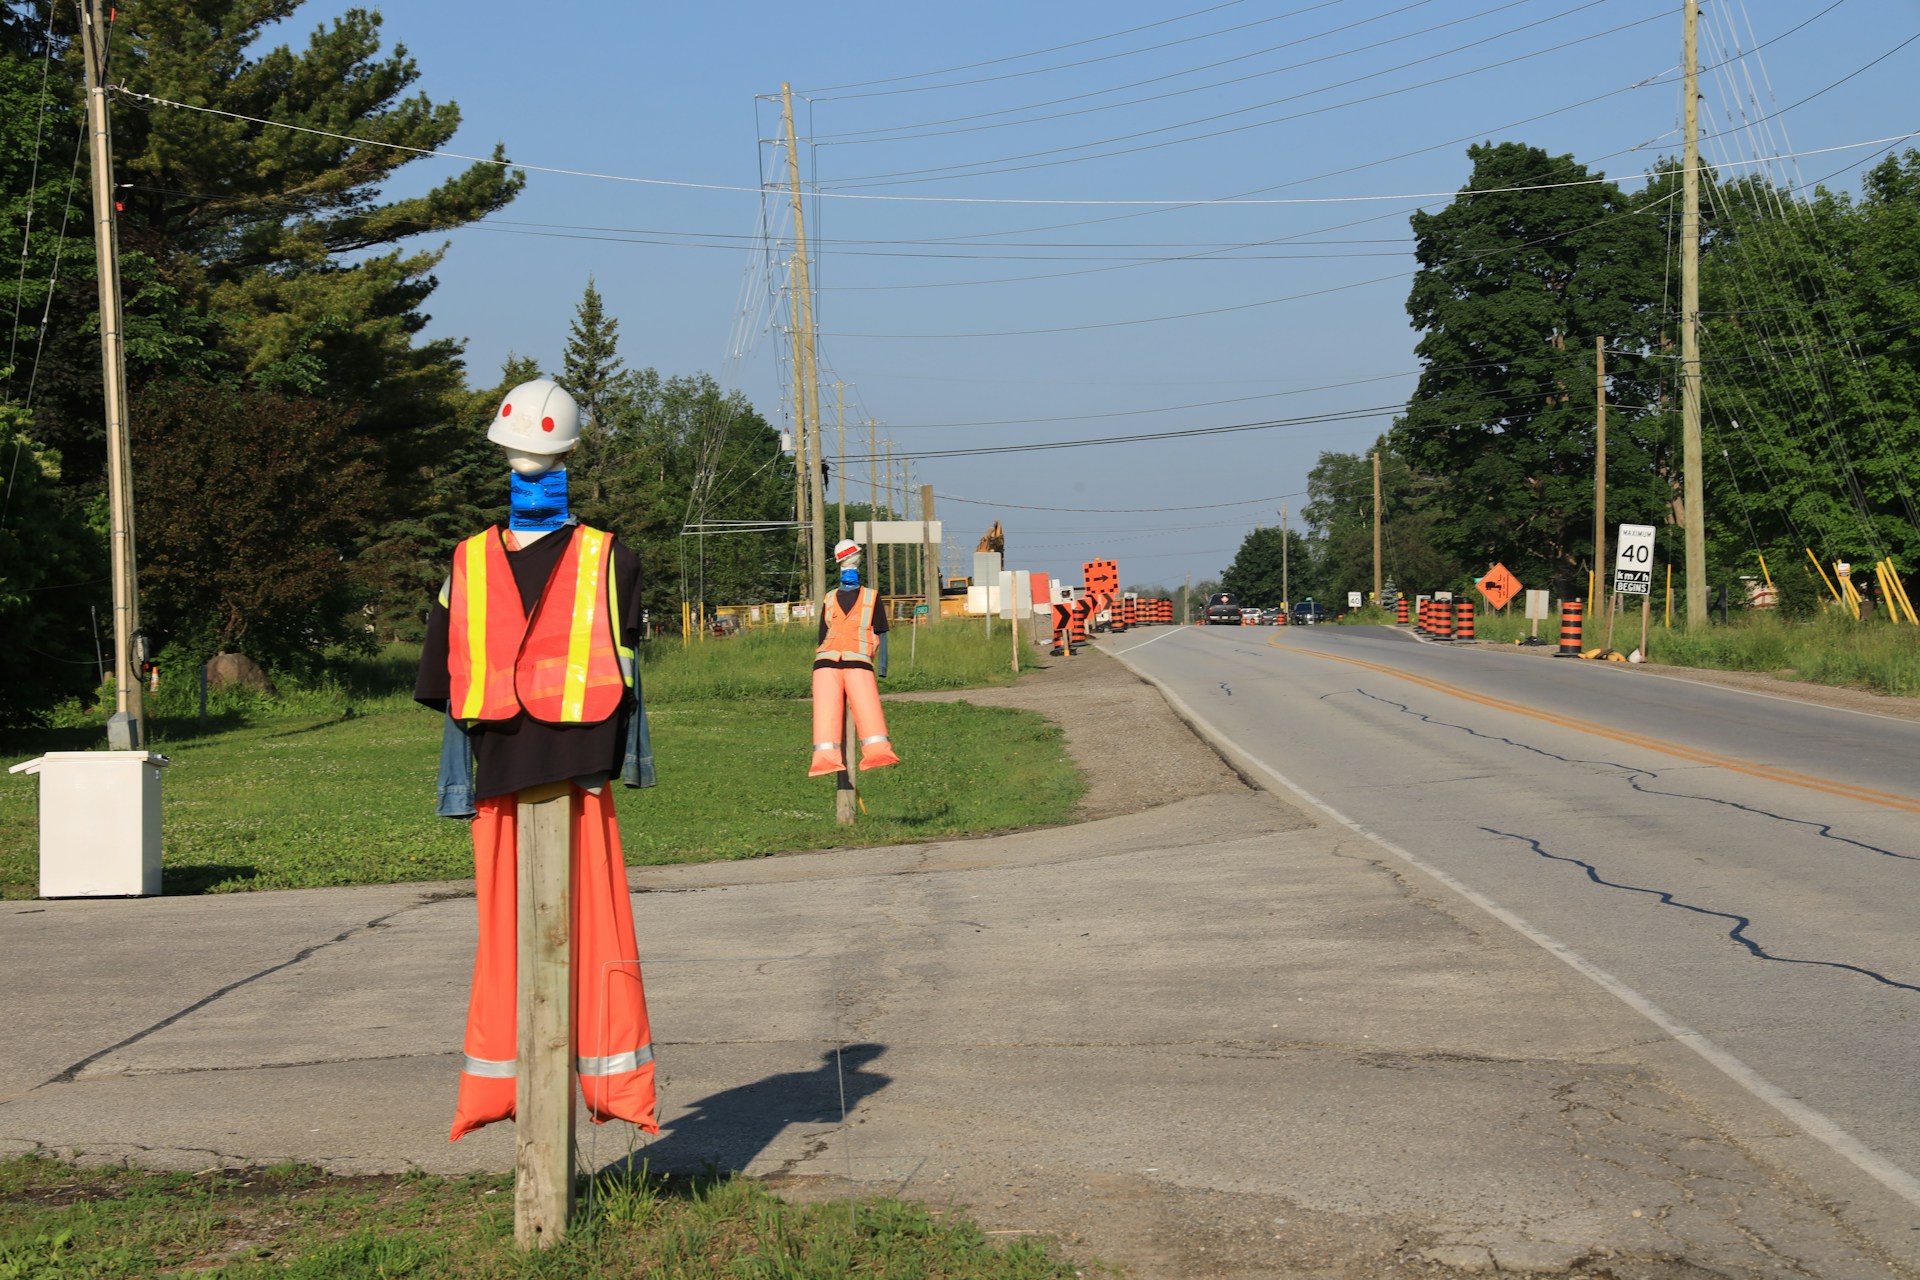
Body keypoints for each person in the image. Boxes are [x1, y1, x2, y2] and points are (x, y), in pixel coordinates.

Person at [414, 376, 658, 1142]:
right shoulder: (606, 559)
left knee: (512, 950)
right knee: (596, 939)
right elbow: (633, 683)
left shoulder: (477, 562)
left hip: (519, 779)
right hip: (574, 776)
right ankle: (589, 1089)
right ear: (573, 452)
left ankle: (548, 1091)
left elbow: (440, 691)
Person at [809, 538, 901, 776]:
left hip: (825, 664)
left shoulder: (830, 598)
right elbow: (882, 634)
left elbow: (821, 638)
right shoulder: (870, 597)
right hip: (856, 663)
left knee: (825, 715)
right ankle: (876, 754)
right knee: (868, 711)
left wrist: (881, 668)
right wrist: (882, 668)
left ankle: (826, 761)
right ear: (856, 559)